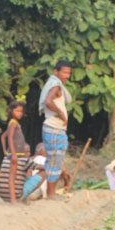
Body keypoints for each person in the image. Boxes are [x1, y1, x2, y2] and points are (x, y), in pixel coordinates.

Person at [39, 60, 73, 199]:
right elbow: (48, 101)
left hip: (53, 129)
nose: (67, 75)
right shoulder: (56, 86)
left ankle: (50, 193)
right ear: (56, 72)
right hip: (54, 129)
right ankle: (51, 194)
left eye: (69, 73)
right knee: (54, 161)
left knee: (54, 161)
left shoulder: (54, 84)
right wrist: (60, 114)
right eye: (64, 72)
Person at [0, 101, 30, 204]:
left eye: (21, 111)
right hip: (15, 155)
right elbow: (10, 139)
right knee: (12, 177)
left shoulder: (15, 123)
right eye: (17, 111)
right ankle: (13, 200)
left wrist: (5, 151)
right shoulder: (13, 123)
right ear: (11, 111)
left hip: (17, 154)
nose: (20, 113)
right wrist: (12, 154)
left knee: (16, 177)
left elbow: (3, 136)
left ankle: (15, 198)